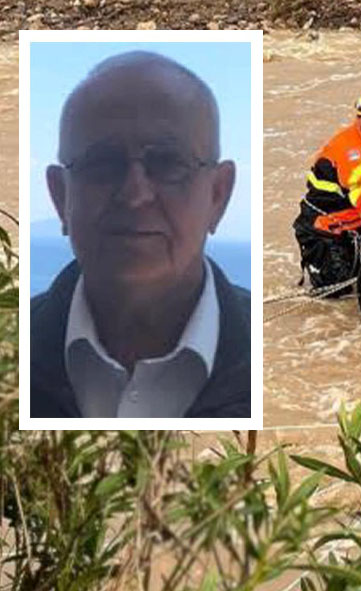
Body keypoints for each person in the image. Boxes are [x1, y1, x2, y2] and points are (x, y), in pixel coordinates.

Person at [31, 51, 249, 418]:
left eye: (167, 163)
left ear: (218, 195)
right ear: (60, 196)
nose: (135, 195)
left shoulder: (272, 355)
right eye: (103, 164)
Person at [293, 89, 361, 293]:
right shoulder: (347, 149)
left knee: (353, 283)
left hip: (352, 227)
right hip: (324, 229)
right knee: (333, 293)